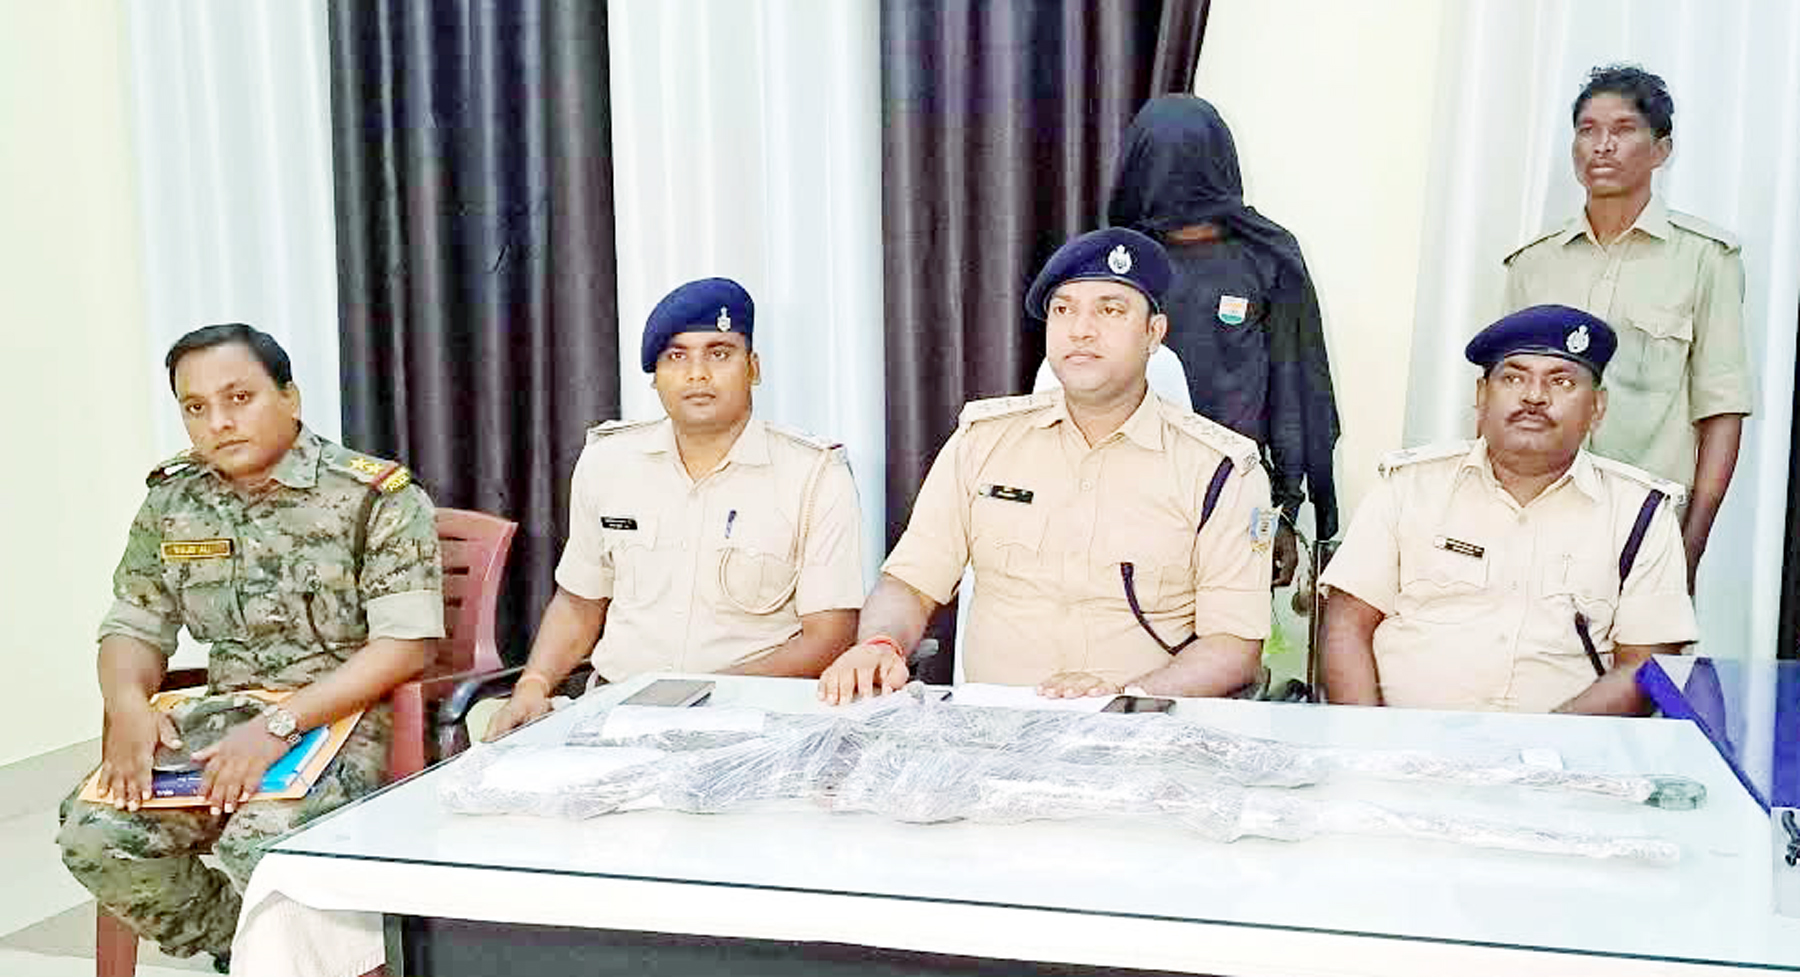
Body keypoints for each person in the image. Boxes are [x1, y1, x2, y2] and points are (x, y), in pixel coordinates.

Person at [56, 323, 443, 969]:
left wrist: (278, 725)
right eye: (195, 406)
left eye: (239, 397)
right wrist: (127, 706)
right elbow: (133, 625)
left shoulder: (371, 496)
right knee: (95, 833)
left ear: (289, 397)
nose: (219, 422)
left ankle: (316, 957)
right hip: (225, 718)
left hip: (349, 716)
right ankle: (243, 949)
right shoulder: (173, 500)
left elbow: (406, 647)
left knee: (261, 842)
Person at [818, 228, 1273, 705]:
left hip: (1137, 728)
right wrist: (880, 644)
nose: (1081, 330)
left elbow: (1233, 648)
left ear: (1153, 333)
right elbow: (909, 584)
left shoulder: (1221, 472)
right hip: (991, 731)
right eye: (1063, 310)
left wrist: (1122, 696)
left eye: (1110, 310)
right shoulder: (983, 442)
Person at [485, 278, 863, 739]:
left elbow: (829, 636)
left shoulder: (814, 475)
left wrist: (694, 699)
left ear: (753, 368)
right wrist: (534, 683)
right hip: (618, 719)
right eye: (676, 356)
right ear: (656, 376)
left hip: (753, 724)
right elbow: (579, 601)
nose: (697, 374)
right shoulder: (607, 462)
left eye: (719, 353)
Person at [1318, 305, 1696, 715]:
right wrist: (1367, 739)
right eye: (1513, 378)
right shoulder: (1409, 488)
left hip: (1567, 749)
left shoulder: (1639, 513)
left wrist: (1543, 745)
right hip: (1404, 742)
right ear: (1481, 396)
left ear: (1597, 408)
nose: (1534, 397)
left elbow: (1645, 665)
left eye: (1562, 381)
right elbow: (1346, 624)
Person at [1503, 64, 1753, 590]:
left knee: (1640, 649)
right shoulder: (1533, 264)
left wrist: (1690, 548)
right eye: (1587, 130)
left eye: (1622, 130)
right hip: (1536, 521)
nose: (1602, 146)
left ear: (1661, 150)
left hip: (1648, 527)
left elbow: (1722, 409)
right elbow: (1501, 402)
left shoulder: (1705, 259)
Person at [1107, 93, 1340, 584]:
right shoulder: (1117, 261)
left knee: (1227, 631)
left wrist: (1284, 512)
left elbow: (1294, 390)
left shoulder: (1266, 257)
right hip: (1127, 500)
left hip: (1234, 496)